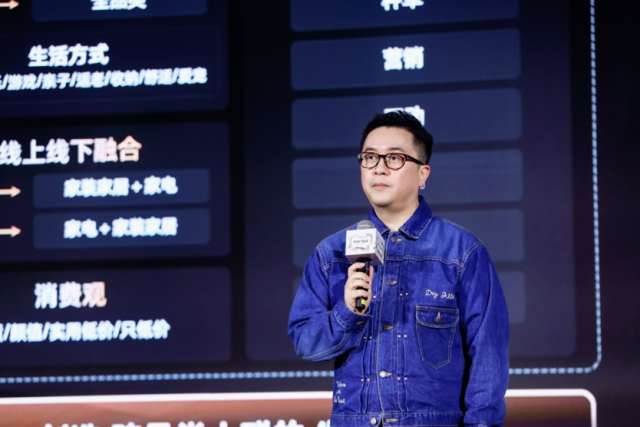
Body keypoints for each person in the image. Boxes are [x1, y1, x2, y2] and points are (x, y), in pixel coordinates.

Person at [288, 111, 509, 427]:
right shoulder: (331, 254)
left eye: (394, 158)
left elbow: (488, 356)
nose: (378, 168)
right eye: (369, 157)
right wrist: (346, 313)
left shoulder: (462, 252)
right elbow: (306, 344)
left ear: (423, 174)